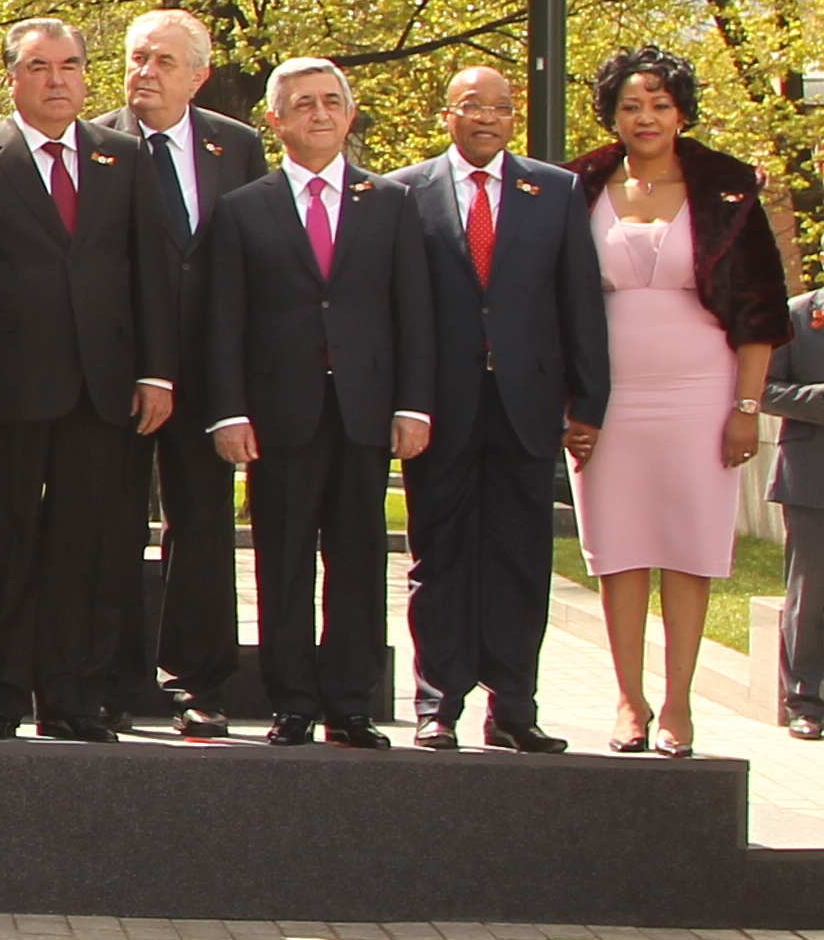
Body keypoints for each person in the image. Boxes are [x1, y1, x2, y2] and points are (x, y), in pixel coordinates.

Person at [0, 17, 176, 739]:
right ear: (13, 78)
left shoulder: (122, 159)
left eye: (69, 66)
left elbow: (150, 273)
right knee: (0, 544)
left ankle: (69, 697)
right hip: (5, 386)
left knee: (85, 547)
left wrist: (157, 371)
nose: (57, 80)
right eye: (39, 67)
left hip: (102, 386)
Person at [199, 57, 435, 745]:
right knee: (285, 558)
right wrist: (229, 411)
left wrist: (414, 406)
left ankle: (350, 702)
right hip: (279, 415)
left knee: (360, 558)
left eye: (332, 102)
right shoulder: (244, 209)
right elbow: (225, 320)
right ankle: (293, 700)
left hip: (365, 411)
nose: (320, 114)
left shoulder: (390, 203)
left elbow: (413, 312)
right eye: (303, 104)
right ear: (274, 121)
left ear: (350, 114)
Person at [567, 45, 789, 757]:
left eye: (660, 104)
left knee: (689, 549)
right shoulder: (576, 186)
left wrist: (745, 409)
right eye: (632, 105)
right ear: (613, 114)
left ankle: (678, 706)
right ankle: (629, 702)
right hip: (607, 396)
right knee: (619, 549)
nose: (646, 117)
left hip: (703, 393)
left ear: (683, 111)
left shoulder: (730, 189)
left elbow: (761, 311)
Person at [392, 67, 605, 753]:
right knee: (440, 554)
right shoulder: (404, 193)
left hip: (527, 401)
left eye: (503, 109)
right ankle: (437, 703)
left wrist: (589, 403)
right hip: (440, 405)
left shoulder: (557, 190)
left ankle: (514, 705)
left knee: (520, 556)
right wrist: (404, 402)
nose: (489, 118)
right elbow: (397, 307)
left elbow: (579, 303)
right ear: (447, 114)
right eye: (473, 106)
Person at [117, 7, 267, 734]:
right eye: (137, 58)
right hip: (115, 369)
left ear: (200, 75)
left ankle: (198, 684)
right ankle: (109, 676)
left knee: (202, 526)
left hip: (210, 370)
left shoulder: (236, 147)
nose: (145, 73)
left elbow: (254, 255)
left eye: (163, 61)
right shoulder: (92, 142)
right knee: (109, 524)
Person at [766, 281, 824, 740]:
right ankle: (805, 702)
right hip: (810, 477)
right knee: (810, 595)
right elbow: (762, 389)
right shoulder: (797, 315)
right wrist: (818, 399)